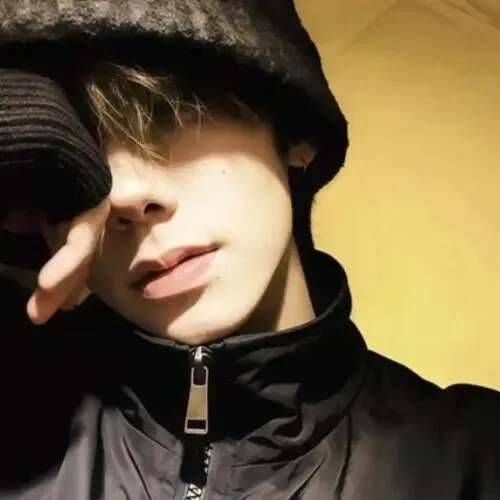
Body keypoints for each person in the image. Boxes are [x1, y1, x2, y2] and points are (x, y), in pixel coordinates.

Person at [0, 1, 499, 499]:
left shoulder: (472, 462)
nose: (129, 195)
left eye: (170, 113)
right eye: (77, 155)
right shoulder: (18, 408)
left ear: (294, 132)